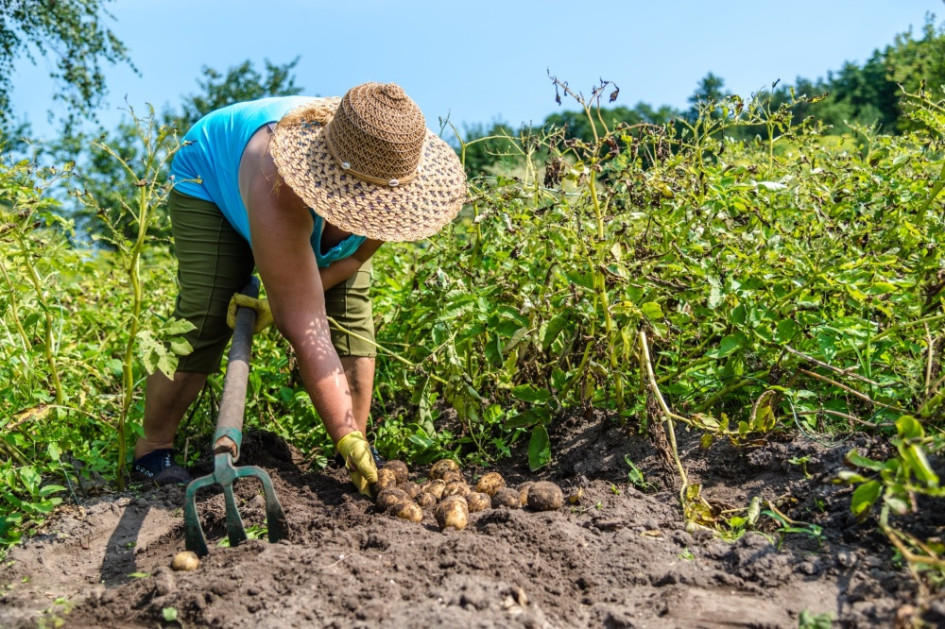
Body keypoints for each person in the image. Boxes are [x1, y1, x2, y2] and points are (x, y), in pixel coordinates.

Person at [131, 82, 467, 494]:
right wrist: (291, 302)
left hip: (301, 196)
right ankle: (152, 450)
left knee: (351, 319)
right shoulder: (278, 179)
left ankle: (352, 452)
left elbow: (353, 258)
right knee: (206, 313)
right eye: (362, 199)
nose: (371, 210)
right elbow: (308, 332)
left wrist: (291, 292)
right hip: (213, 179)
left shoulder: (397, 188)